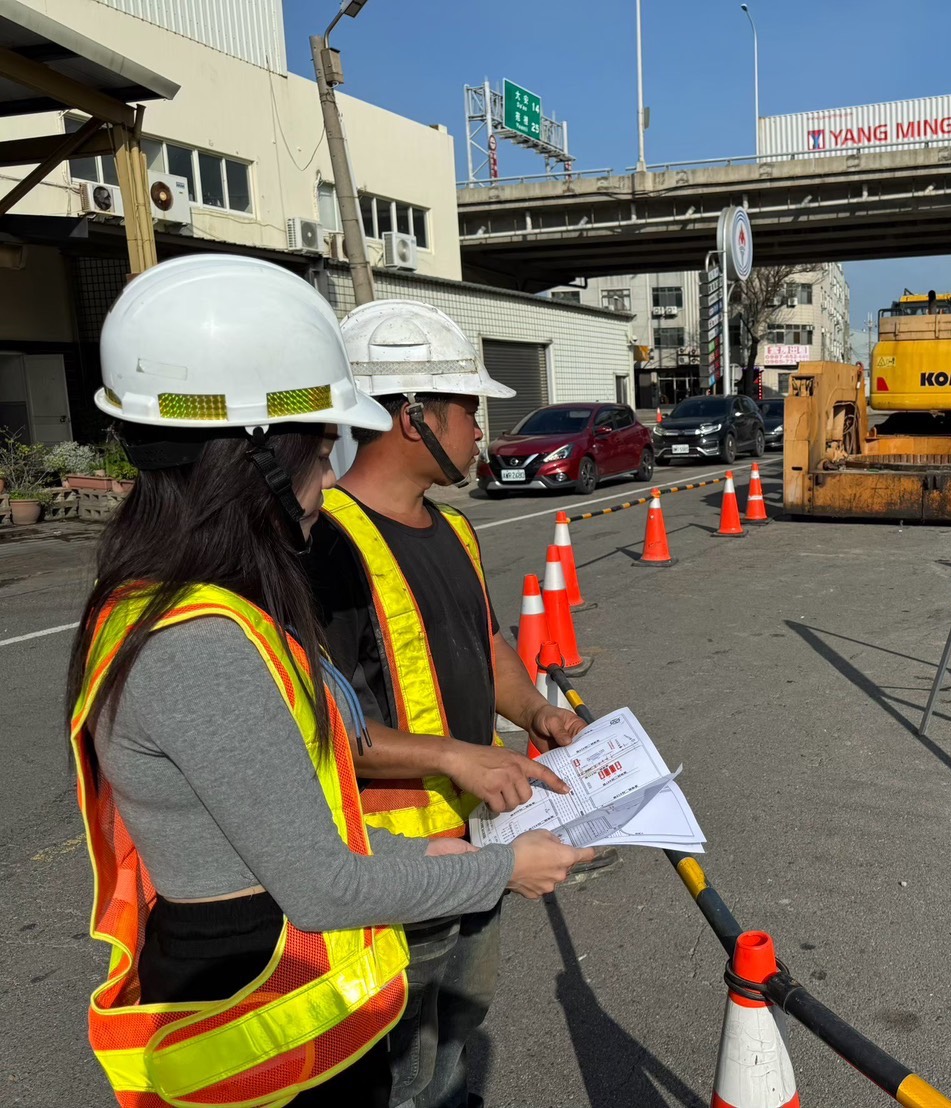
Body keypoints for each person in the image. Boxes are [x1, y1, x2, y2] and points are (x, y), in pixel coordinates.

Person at [65, 256, 593, 1107]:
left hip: (257, 965)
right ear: (256, 462)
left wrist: (430, 849)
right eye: (317, 453)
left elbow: (279, 832)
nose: (325, 480)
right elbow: (321, 884)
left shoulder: (169, 608)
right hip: (252, 998)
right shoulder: (201, 642)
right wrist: (501, 869)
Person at [304, 299, 604, 1108]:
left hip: (481, 837)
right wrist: (451, 756)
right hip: (392, 864)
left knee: (457, 1036)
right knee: (398, 1064)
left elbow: (487, 644)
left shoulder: (454, 530)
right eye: (469, 410)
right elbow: (315, 726)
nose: (479, 430)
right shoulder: (324, 545)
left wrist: (538, 713)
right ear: (413, 417)